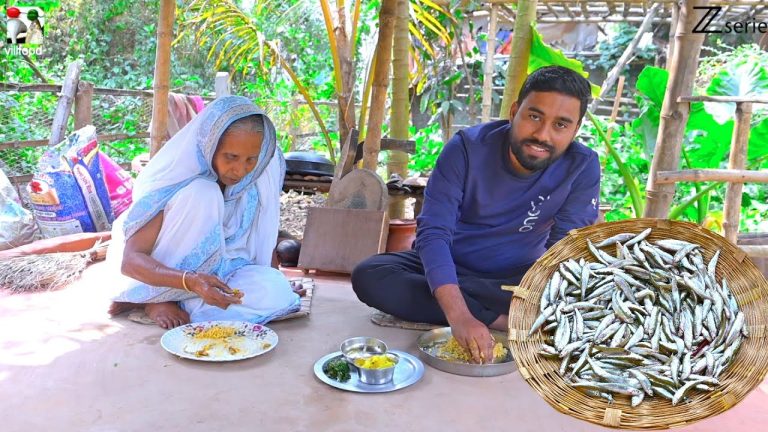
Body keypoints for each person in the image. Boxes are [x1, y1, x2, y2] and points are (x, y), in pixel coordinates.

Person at [352, 66, 600, 363]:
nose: (542, 134)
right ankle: (502, 320)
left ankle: (479, 304)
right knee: (370, 276)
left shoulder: (582, 166)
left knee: (588, 300)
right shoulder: (466, 149)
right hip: (450, 264)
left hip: (514, 279)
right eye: (534, 116)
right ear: (514, 111)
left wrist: (542, 298)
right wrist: (458, 316)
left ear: (575, 130)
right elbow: (434, 234)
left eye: (561, 125)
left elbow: (562, 250)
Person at [107, 96, 300, 329]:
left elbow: (263, 237)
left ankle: (188, 304)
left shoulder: (252, 185)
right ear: (209, 146)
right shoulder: (178, 182)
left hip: (220, 275)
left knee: (277, 294)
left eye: (251, 159)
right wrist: (191, 282)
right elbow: (130, 262)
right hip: (170, 276)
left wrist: (276, 280)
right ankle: (158, 298)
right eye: (231, 157)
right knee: (204, 191)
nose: (240, 170)